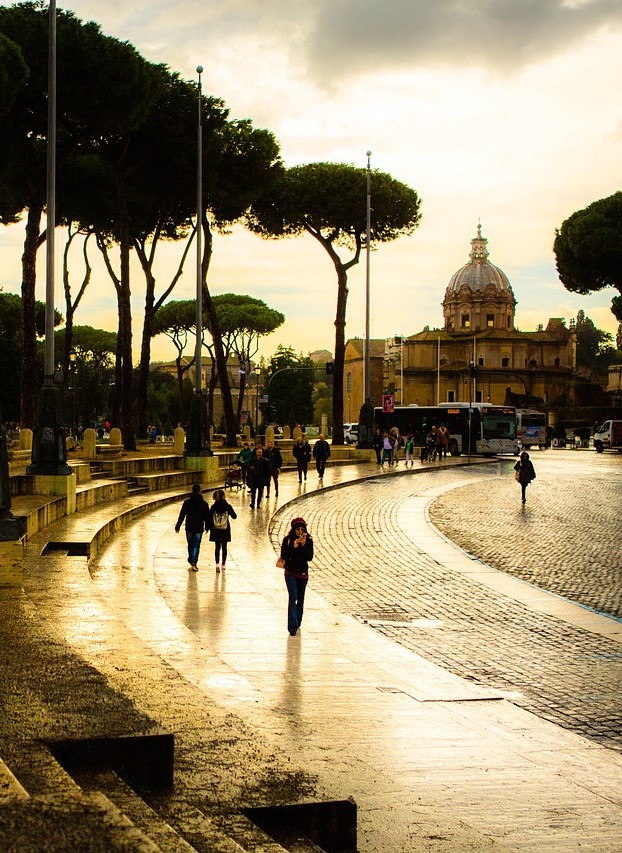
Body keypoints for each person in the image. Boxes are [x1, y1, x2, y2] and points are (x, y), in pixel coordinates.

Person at [280, 516, 314, 636]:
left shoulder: (308, 540)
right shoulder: (288, 540)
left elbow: (309, 557)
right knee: (293, 596)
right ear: (293, 529)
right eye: (297, 529)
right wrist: (293, 547)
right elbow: (284, 555)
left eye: (302, 529)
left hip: (303, 574)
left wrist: (304, 546)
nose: (300, 531)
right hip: (290, 573)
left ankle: (298, 621)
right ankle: (292, 627)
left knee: (300, 599)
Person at [174, 483, 210, 571]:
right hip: (198, 527)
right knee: (196, 545)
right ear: (200, 491)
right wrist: (208, 526)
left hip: (189, 527)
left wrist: (178, 526)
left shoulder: (187, 502)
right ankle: (193, 561)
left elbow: (182, 515)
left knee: (190, 544)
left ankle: (191, 558)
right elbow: (207, 517)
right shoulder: (204, 504)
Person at [208, 488, 237, 572]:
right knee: (224, 547)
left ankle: (217, 563)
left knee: (217, 547)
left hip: (216, 529)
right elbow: (234, 516)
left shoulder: (213, 507)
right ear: (223, 496)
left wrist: (209, 527)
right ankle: (223, 564)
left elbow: (209, 517)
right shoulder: (228, 506)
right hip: (225, 529)